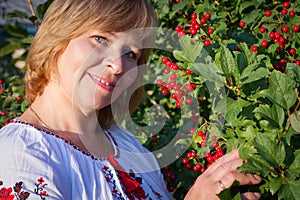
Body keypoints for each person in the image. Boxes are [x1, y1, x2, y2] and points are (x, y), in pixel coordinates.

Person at [0, 0, 262, 199]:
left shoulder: (129, 147)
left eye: (130, 53)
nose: (117, 65)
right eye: (100, 38)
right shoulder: (20, 155)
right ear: (58, 37)